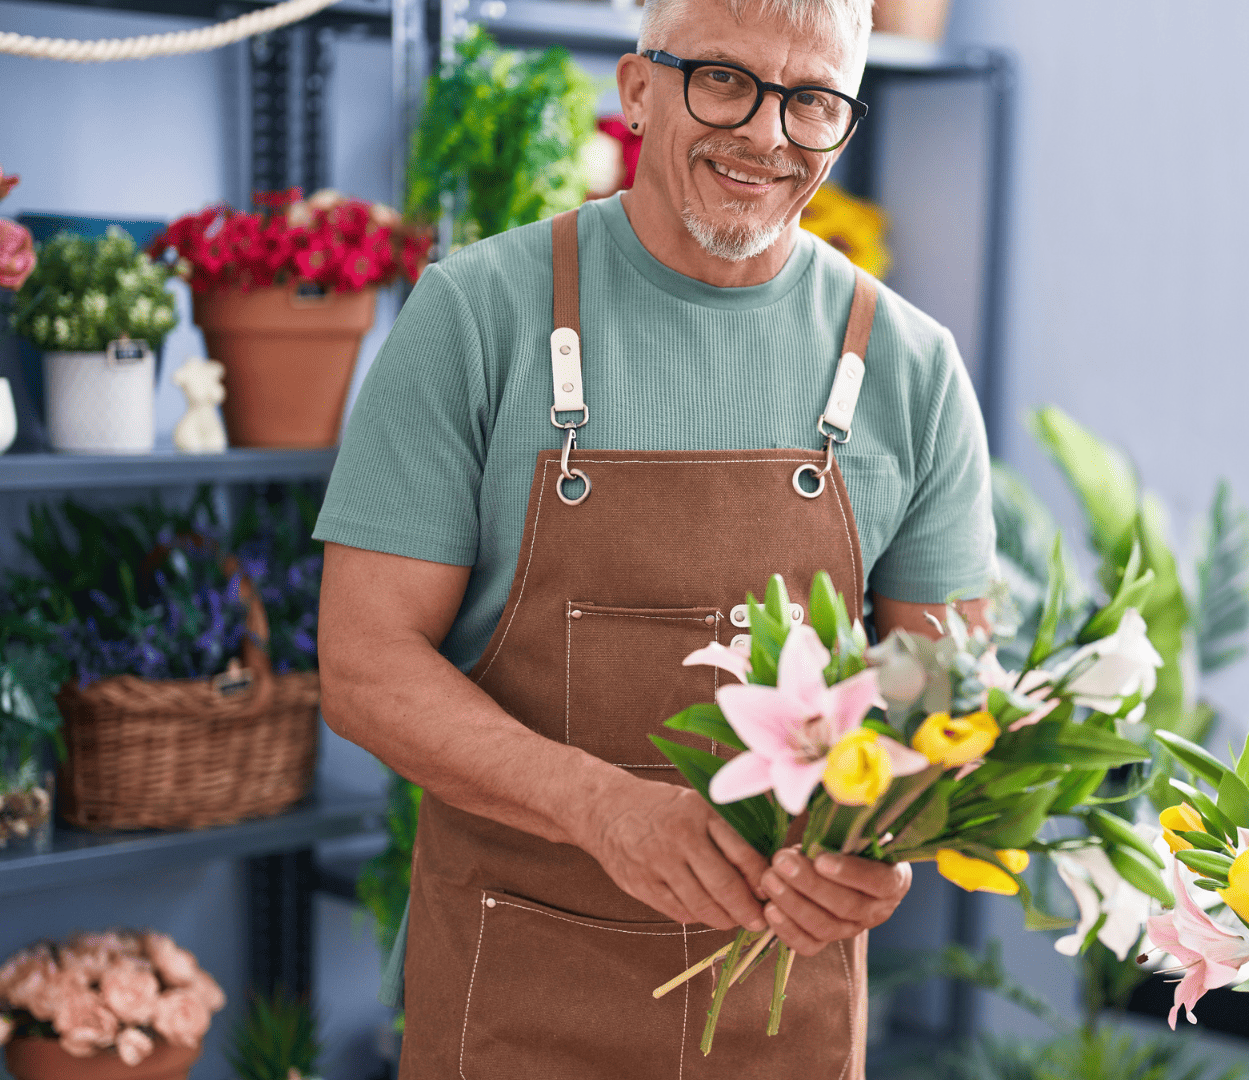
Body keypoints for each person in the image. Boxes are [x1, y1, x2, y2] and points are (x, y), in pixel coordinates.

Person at [312, 0, 996, 1074]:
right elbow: (363, 665)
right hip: (514, 999)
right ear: (637, 90)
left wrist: (894, 851)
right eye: (724, 79)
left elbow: (949, 712)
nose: (768, 135)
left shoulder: (912, 369)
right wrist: (600, 807)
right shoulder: (475, 317)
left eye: (811, 100)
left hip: (782, 1016)